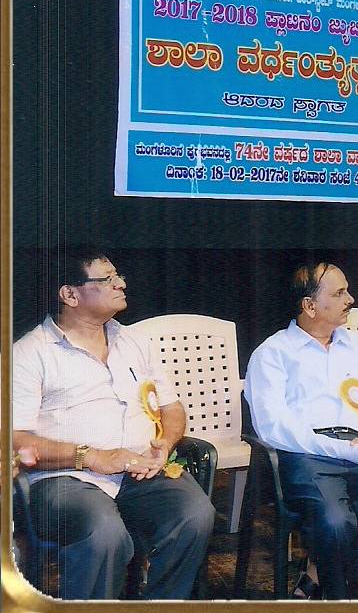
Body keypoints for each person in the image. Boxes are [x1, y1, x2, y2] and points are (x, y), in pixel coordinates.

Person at [12, 249, 215, 599]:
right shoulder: (30, 353)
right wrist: (92, 457)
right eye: (107, 279)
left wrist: (164, 445)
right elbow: (16, 439)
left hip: (139, 469)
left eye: (118, 275)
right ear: (70, 294)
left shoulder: (134, 341)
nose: (121, 283)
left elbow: (172, 408)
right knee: (104, 533)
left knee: (195, 514)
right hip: (65, 477)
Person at [244, 262, 358, 600]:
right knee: (335, 521)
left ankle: (322, 578)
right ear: (310, 306)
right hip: (307, 456)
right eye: (339, 293)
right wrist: (344, 449)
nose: (350, 299)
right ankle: (338, 594)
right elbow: (273, 427)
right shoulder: (273, 353)